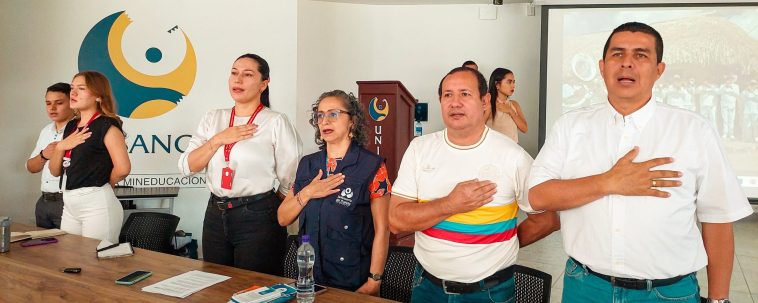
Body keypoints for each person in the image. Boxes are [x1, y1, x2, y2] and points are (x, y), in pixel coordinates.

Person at [528, 22, 753, 303]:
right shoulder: (570, 126)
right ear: (601, 66)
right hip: (585, 287)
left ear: (659, 70)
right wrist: (609, 182)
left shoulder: (694, 130)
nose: (627, 64)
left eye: (641, 55)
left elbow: (717, 219)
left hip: (668, 293)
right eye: (617, 54)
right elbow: (536, 196)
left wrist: (719, 300)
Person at [388, 67, 559, 302]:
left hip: (489, 292)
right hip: (427, 286)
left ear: (485, 101)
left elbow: (548, 219)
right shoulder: (420, 149)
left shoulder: (513, 156)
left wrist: (505, 243)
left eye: (465, 94)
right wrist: (451, 204)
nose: (455, 103)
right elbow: (397, 221)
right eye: (448, 95)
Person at [178, 53, 302, 275]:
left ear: (264, 84)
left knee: (254, 287)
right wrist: (218, 140)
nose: (238, 80)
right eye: (234, 73)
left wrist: (263, 207)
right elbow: (187, 166)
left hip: (258, 216)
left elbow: (291, 177)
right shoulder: (213, 118)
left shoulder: (275, 121)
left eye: (247, 75)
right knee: (214, 284)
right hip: (215, 213)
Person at [277, 90, 391, 295]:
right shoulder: (307, 164)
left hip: (353, 280)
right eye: (320, 115)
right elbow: (283, 218)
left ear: (352, 122)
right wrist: (309, 192)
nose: (325, 120)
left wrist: (375, 280)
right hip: (310, 278)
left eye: (333, 114)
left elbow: (382, 229)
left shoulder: (371, 166)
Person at [49, 71, 131, 243]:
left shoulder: (106, 124)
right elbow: (55, 171)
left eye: (81, 88)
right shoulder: (71, 125)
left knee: (96, 263)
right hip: (70, 201)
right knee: (69, 258)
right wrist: (61, 147)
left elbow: (123, 168)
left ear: (98, 96)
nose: (73, 93)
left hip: (96, 202)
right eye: (72, 88)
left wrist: (105, 184)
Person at [26, 82, 75, 229]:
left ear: (71, 103)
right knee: (42, 250)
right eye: (48, 103)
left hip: (67, 201)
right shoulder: (46, 130)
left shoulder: (78, 130)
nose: (52, 108)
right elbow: (31, 167)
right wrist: (43, 155)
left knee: (69, 249)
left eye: (59, 103)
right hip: (44, 201)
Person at [486, 68, 528, 142]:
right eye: (509, 82)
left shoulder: (514, 104)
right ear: (497, 85)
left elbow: (525, 129)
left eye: (514, 82)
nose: (513, 86)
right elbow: (478, 129)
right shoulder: (488, 104)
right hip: (494, 150)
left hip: (513, 150)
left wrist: (511, 111)